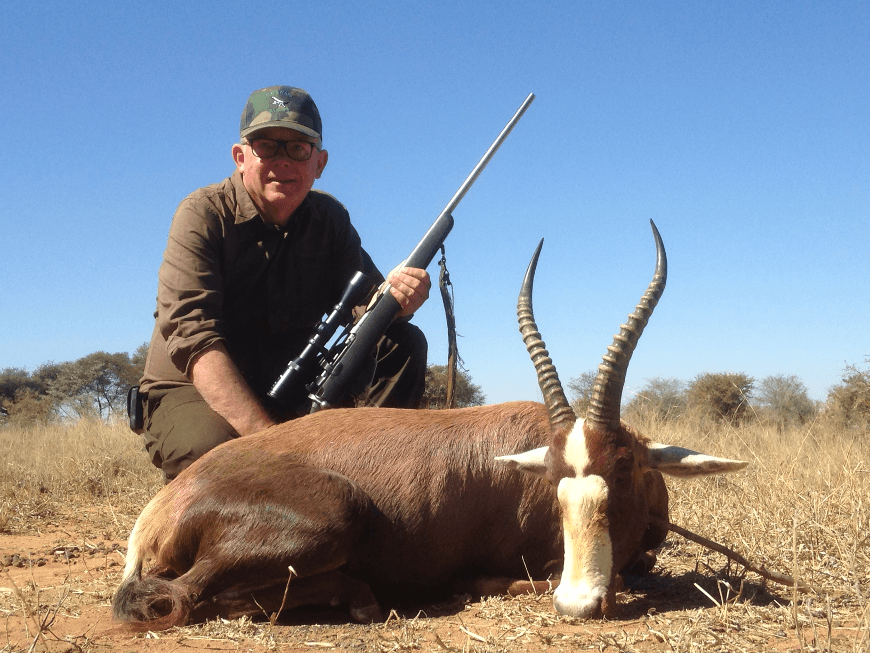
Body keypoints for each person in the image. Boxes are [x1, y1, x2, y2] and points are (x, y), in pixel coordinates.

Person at [138, 86, 430, 481]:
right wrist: (273, 443)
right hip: (195, 386)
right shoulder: (202, 214)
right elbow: (194, 337)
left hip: (289, 382)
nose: (283, 161)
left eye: (298, 148)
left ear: (319, 162)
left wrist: (398, 299)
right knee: (220, 458)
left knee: (402, 339)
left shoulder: (330, 219)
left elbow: (367, 306)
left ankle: (381, 479)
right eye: (266, 147)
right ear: (241, 157)